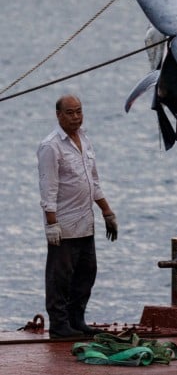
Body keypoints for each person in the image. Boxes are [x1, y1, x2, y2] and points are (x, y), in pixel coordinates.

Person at [37, 94, 119, 339]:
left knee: (87, 272)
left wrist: (107, 211)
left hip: (86, 221)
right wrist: (51, 224)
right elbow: (47, 188)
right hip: (63, 223)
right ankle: (59, 325)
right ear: (58, 115)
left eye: (79, 112)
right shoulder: (50, 146)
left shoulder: (84, 138)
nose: (76, 117)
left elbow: (93, 181)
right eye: (70, 113)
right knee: (60, 276)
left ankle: (76, 319)